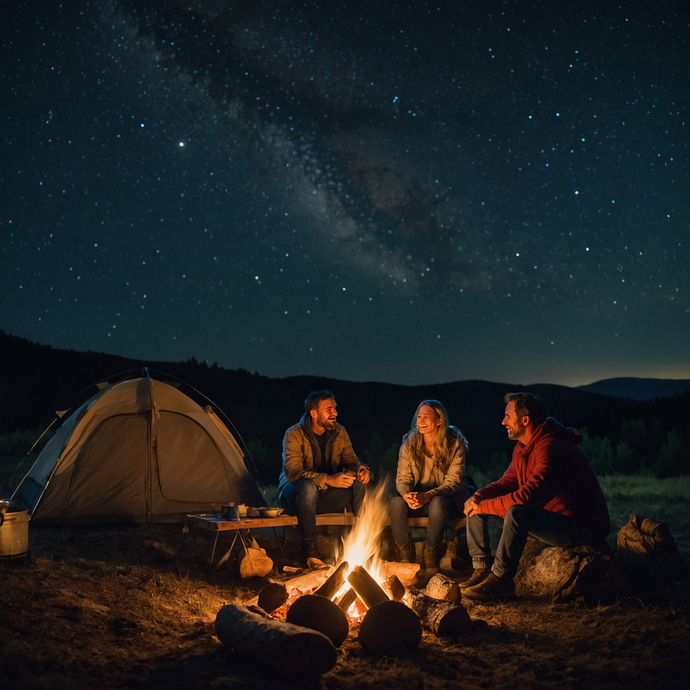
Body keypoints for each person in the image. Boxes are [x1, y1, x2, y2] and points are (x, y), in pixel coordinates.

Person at [461, 392, 610, 600]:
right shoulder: (523, 447)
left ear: (525, 420)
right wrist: (479, 496)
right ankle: (482, 569)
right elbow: (508, 482)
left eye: (507, 416)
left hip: (582, 527)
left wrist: (484, 505)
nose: (503, 421)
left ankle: (501, 580)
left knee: (517, 513)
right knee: (475, 503)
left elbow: (527, 499)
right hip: (555, 520)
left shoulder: (551, 447)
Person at [278, 390, 370, 564]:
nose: (334, 413)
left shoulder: (339, 432)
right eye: (329, 409)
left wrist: (361, 470)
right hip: (295, 496)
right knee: (308, 487)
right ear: (313, 413)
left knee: (359, 483)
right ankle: (311, 554)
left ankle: (353, 547)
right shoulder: (294, 434)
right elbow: (292, 472)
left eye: (334, 408)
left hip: (325, 496)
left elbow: (352, 462)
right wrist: (328, 479)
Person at [390, 399, 472, 574]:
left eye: (426, 417)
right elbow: (402, 479)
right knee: (396, 503)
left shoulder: (455, 443)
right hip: (419, 499)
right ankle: (405, 553)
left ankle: (430, 552)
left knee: (438, 503)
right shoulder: (409, 444)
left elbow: (453, 482)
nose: (420, 421)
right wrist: (407, 495)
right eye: (419, 416)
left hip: (447, 499)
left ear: (439, 420)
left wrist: (428, 495)